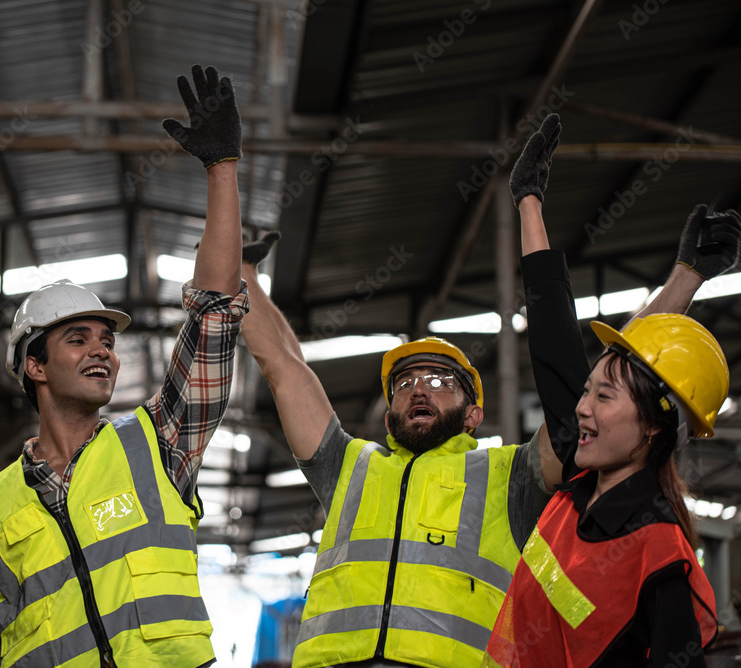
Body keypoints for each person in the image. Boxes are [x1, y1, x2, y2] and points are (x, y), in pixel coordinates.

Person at [238, 112, 739, 668]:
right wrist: (239, 274)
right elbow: (284, 367)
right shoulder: (350, 469)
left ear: (475, 414)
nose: (417, 389)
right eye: (404, 382)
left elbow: (606, 387)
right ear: (388, 414)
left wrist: (685, 279)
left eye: (440, 380)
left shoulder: (511, 478)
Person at [0, 65, 248, 668]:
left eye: (106, 341)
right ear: (34, 367)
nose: (102, 351)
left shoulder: (159, 445)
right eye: (77, 339)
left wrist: (222, 170)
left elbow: (213, 319)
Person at [481, 172, 740, 667]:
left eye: (604, 396)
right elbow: (555, 335)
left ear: (652, 427)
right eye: (586, 391)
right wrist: (529, 204)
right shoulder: (577, 486)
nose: (581, 407)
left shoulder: (661, 554)